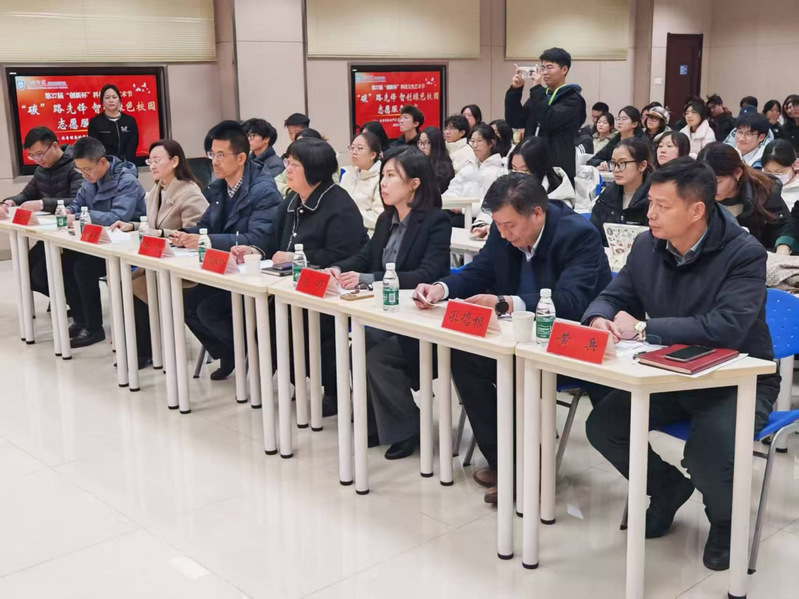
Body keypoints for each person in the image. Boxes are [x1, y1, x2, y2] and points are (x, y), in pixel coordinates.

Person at [583, 157, 780, 572]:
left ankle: (725, 523)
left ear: (696, 210)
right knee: (604, 427)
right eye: (650, 203)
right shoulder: (647, 245)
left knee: (708, 454)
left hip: (735, 378)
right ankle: (667, 488)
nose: (650, 213)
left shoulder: (743, 253)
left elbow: (727, 327)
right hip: (669, 371)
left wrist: (644, 327)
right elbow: (614, 295)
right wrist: (599, 317)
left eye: (662, 205)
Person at [413, 172, 611, 502]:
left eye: (510, 226)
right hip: (514, 337)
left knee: (515, 371)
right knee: (462, 357)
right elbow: (480, 270)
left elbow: (572, 302)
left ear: (537, 213)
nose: (504, 234)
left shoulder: (578, 235)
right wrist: (441, 288)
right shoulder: (502, 230)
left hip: (565, 343)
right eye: (498, 225)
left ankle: (526, 468)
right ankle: (505, 460)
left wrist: (505, 303)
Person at [331, 147, 451, 456]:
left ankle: (408, 427)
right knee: (359, 345)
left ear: (414, 184)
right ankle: (376, 424)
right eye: (382, 175)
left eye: (390, 176)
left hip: (421, 320)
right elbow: (366, 256)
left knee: (377, 355)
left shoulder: (436, 221)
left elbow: (427, 274)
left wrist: (369, 278)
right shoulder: (387, 219)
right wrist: (339, 268)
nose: (383, 183)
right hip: (386, 313)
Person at [170, 122, 282, 380]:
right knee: (186, 304)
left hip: (253, 274)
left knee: (207, 310)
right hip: (225, 270)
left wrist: (205, 241)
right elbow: (207, 225)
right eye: (212, 154)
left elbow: (256, 239)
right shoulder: (220, 186)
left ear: (241, 158)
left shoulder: (263, 190)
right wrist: (186, 234)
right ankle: (228, 353)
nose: (215, 161)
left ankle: (256, 355)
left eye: (221, 155)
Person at [267, 137, 369, 411]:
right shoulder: (292, 199)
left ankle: (333, 389)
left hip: (334, 288)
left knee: (313, 328)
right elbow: (272, 240)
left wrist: (297, 258)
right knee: (267, 324)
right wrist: (251, 248)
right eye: (288, 162)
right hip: (291, 285)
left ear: (313, 170)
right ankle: (302, 379)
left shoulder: (338, 204)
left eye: (295, 165)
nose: (287, 169)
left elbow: (342, 255)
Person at [110, 140, 208, 367]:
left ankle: (143, 351)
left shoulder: (190, 192)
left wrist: (160, 233)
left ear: (174, 161)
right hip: (159, 263)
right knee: (125, 283)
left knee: (136, 286)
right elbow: (152, 226)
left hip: (183, 269)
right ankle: (140, 347)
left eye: (157, 160)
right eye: (150, 160)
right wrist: (132, 226)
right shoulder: (157, 189)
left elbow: (195, 234)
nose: (152, 165)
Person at [61, 136, 146, 348]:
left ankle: (93, 328)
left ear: (102, 161)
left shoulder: (127, 181)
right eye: (80, 170)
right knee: (66, 262)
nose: (84, 175)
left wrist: (80, 217)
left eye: (87, 170)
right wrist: (68, 211)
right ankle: (82, 320)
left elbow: (118, 217)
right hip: (100, 243)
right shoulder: (90, 179)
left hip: (126, 246)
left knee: (83, 268)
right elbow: (78, 203)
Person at [3, 127, 82, 299]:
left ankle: (75, 305)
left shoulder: (76, 166)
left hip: (72, 232)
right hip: (50, 233)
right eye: (32, 156)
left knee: (41, 274)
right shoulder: (41, 170)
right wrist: (9, 202)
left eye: (40, 154)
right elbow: (26, 194)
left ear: (55, 146)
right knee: (27, 271)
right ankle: (67, 301)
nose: (37, 160)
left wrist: (41, 204)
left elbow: (77, 201)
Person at [505, 47, 586, 181]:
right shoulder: (540, 96)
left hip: (557, 168)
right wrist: (515, 90)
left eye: (550, 67)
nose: (545, 73)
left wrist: (537, 88)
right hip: (531, 164)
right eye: (542, 68)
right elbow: (515, 120)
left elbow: (549, 120)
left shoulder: (572, 99)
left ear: (564, 70)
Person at [472, 136, 577, 235]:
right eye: (514, 169)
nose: (518, 175)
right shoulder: (506, 183)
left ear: (540, 168)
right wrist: (484, 225)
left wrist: (496, 230)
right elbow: (490, 208)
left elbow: (545, 229)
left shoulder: (558, 195)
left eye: (524, 170)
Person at [698, 142, 789, 250]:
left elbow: (782, 233)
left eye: (717, 182)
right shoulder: (696, 195)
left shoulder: (766, 193)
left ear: (737, 173)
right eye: (703, 182)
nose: (709, 189)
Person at [590, 137, 653, 245]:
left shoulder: (654, 198)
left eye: (622, 163)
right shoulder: (607, 195)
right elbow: (593, 233)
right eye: (613, 163)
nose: (616, 169)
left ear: (642, 166)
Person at [443, 123, 506, 219]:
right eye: (472, 141)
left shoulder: (497, 172)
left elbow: (491, 203)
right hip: (455, 212)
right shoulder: (468, 167)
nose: (475, 145)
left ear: (491, 143)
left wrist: (463, 208)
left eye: (479, 141)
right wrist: (448, 202)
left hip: (477, 217)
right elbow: (454, 189)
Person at [340, 131, 383, 230]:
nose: (354, 152)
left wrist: (348, 215)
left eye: (360, 148)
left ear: (372, 155)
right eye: (352, 148)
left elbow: (378, 217)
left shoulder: (381, 178)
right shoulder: (347, 174)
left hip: (368, 232)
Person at [87, 84, 139, 163]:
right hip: (105, 165)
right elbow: (95, 148)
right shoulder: (95, 122)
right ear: (102, 102)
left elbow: (132, 146)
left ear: (119, 101)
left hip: (128, 165)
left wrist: (125, 163)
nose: (111, 100)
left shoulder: (130, 121)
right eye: (107, 98)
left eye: (114, 97)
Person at [588, 106, 645, 170]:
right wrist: (603, 164)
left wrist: (610, 165)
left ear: (634, 124)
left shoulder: (640, 143)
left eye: (624, 119)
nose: (619, 122)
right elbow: (592, 160)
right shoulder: (616, 139)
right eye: (618, 118)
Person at [763, 139, 799, 215]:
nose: (773, 176)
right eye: (768, 171)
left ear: (794, 165)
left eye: (779, 172)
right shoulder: (757, 182)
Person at [417, 127, 455, 195]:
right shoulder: (418, 163)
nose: (422, 147)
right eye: (420, 142)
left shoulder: (443, 168)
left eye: (426, 142)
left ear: (436, 144)